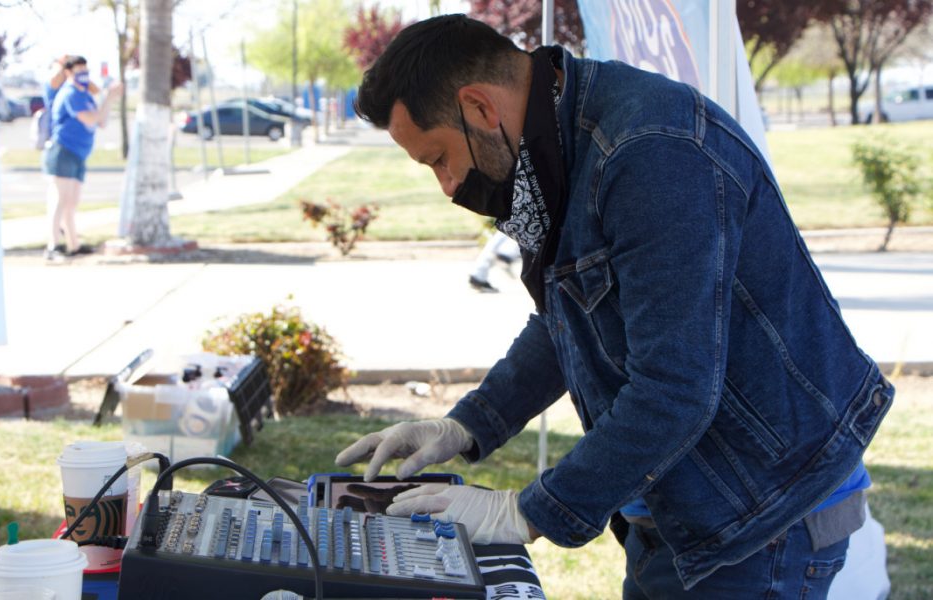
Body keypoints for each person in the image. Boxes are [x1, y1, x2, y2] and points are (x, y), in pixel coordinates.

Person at [335, 15, 893, 599]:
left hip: (763, 513)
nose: (447, 186)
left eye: (439, 159)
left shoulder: (650, 150)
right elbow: (567, 320)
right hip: (684, 506)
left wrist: (523, 512)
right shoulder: (559, 145)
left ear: (479, 108)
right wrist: (465, 425)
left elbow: (674, 389)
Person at [42, 55, 120, 260]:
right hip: (63, 151)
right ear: (68, 72)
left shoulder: (84, 95)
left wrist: (108, 100)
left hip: (79, 154)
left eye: (86, 71)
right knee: (59, 199)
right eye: (79, 71)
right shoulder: (69, 94)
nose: (84, 75)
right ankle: (53, 247)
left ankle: (73, 245)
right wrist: (107, 98)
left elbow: (101, 121)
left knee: (71, 202)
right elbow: (90, 118)